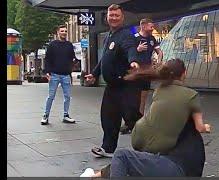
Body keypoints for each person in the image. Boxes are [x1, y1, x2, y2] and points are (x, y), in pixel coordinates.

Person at [82, 58, 211, 177]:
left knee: (122, 156)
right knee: (132, 163)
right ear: (184, 73)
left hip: (175, 169)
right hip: (184, 169)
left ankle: (96, 176)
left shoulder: (163, 99)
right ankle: (96, 176)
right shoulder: (182, 113)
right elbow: (200, 126)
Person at [84, 4, 143, 158]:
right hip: (112, 86)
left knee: (132, 117)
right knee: (108, 117)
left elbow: (130, 49)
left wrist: (133, 61)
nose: (114, 18)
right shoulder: (110, 35)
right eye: (111, 15)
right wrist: (94, 74)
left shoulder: (126, 35)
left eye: (117, 15)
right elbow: (105, 59)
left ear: (122, 18)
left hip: (126, 85)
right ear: (107, 18)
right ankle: (108, 148)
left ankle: (151, 146)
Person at [120, 18, 163, 134]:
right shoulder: (134, 38)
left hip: (146, 72)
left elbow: (160, 52)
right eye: (150, 26)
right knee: (132, 97)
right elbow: (128, 52)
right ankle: (129, 122)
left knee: (143, 97)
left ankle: (140, 121)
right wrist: (137, 49)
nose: (152, 28)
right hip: (135, 72)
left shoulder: (152, 39)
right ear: (143, 26)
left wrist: (158, 62)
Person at [41, 25, 79, 125]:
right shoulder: (52, 45)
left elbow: (72, 57)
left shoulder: (69, 45)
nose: (64, 32)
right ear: (58, 32)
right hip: (54, 75)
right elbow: (47, 59)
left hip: (66, 75)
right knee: (51, 96)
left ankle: (66, 115)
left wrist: (73, 64)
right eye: (62, 31)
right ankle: (45, 115)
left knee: (67, 96)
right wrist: (47, 72)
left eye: (65, 31)